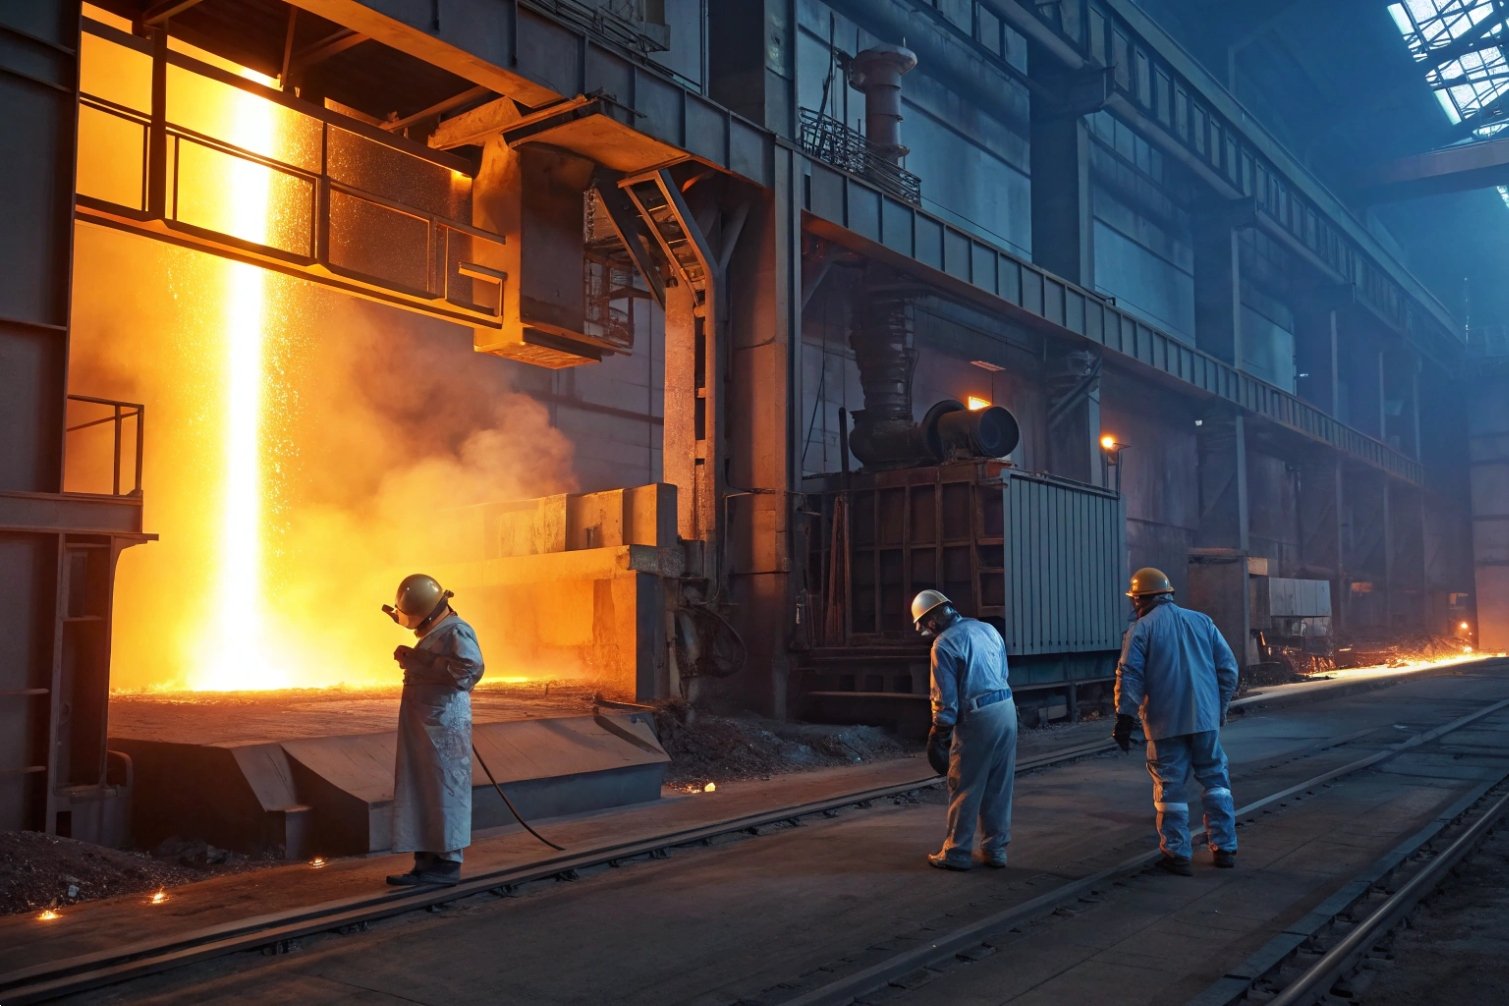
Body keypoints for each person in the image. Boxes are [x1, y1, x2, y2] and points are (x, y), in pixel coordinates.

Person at [1112, 567, 1240, 876]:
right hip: (1204, 721)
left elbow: (1130, 675)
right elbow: (1229, 670)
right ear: (1168, 594)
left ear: (1140, 600)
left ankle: (1177, 853)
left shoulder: (1141, 630)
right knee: (1215, 783)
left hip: (1164, 723)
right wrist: (1217, 710)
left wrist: (1124, 718)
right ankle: (1224, 848)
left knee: (1170, 789)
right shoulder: (1202, 622)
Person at [382, 573, 485, 887]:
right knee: (422, 789)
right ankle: (425, 860)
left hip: (443, 727)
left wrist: (422, 659)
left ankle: (446, 864)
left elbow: (470, 670)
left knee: (444, 791)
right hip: (427, 727)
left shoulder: (457, 630)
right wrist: (418, 659)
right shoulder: (438, 630)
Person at [911, 589, 1018, 871]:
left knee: (966, 785)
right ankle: (996, 850)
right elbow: (1003, 672)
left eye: (925, 625)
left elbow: (945, 698)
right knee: (999, 784)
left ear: (932, 620)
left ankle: (957, 852)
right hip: (1006, 708)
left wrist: (940, 731)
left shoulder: (943, 645)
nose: (928, 631)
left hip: (978, 716)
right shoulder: (988, 629)